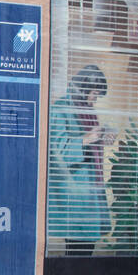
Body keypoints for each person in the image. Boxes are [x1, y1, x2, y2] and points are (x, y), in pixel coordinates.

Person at [48, 64, 113, 256]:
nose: (95, 98)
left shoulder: (86, 111)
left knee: (86, 248)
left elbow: (89, 144)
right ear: (83, 87)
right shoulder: (60, 109)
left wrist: (103, 136)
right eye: (94, 92)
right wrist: (88, 138)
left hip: (88, 192)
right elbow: (57, 151)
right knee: (78, 248)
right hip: (74, 194)